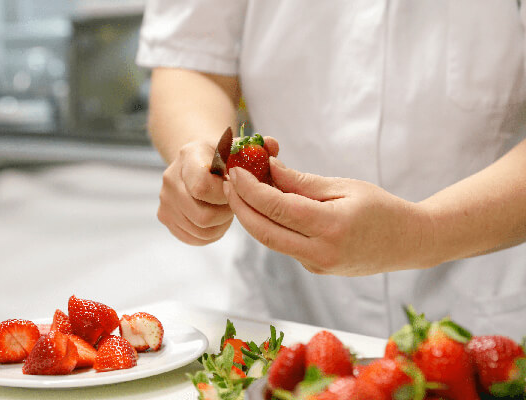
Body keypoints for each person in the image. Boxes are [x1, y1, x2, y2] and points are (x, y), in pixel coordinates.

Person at [136, 1, 526, 340]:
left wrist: (424, 232)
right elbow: (190, 59)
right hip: (289, 303)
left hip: (490, 294)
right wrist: (202, 162)